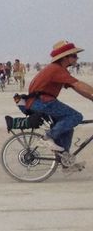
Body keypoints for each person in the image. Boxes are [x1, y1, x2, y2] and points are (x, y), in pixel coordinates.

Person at [22, 40, 93, 171]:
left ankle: (65, 162)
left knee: (67, 127)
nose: (77, 58)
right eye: (74, 56)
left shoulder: (59, 70)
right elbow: (79, 84)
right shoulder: (56, 69)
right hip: (41, 102)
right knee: (75, 116)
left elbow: (77, 88)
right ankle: (47, 137)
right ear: (65, 57)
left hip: (41, 101)